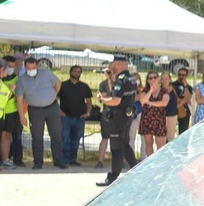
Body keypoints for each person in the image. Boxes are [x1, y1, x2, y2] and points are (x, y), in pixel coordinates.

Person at [96, 55, 139, 187]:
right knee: (125, 145)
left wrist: (102, 99)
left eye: (113, 64)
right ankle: (138, 170)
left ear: (118, 64)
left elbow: (116, 100)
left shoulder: (121, 80)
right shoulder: (132, 78)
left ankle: (113, 176)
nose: (111, 66)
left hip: (118, 117)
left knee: (116, 147)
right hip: (127, 115)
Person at [15, 55, 65, 169]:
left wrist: (53, 96)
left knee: (56, 134)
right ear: (25, 67)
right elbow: (19, 99)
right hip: (35, 109)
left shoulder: (46, 73)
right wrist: (22, 116)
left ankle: (59, 160)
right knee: (37, 136)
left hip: (52, 107)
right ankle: (38, 162)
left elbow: (58, 83)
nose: (31, 70)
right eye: (29, 68)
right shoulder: (22, 80)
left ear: (37, 66)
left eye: (33, 67)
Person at [58, 65, 92, 166]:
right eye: (75, 71)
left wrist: (88, 113)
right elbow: (54, 99)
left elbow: (89, 101)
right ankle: (65, 160)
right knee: (64, 139)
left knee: (76, 140)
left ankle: (73, 160)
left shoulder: (84, 86)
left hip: (80, 118)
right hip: (66, 117)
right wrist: (60, 112)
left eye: (78, 71)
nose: (76, 73)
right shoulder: (63, 85)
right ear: (70, 72)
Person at [138, 71, 169, 157]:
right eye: (150, 78)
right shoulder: (145, 91)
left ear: (158, 79)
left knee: (160, 145)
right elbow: (142, 101)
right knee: (148, 143)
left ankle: (159, 163)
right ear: (147, 80)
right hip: (147, 119)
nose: (153, 79)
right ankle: (150, 162)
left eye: (155, 77)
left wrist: (150, 103)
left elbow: (164, 103)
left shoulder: (164, 91)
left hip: (159, 120)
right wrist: (151, 90)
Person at [174, 66, 194, 134]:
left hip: (185, 112)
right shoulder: (172, 85)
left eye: (183, 75)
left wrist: (185, 85)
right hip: (174, 110)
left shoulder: (189, 87)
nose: (181, 76)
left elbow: (188, 98)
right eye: (179, 74)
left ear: (186, 76)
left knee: (183, 132)